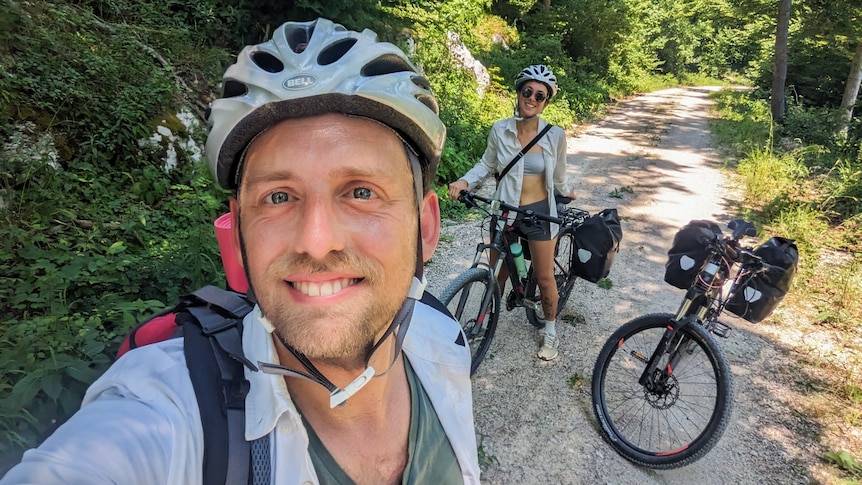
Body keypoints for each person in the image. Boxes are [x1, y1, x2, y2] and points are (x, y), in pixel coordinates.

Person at [1, 18, 480, 484]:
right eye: (277, 197)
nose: (316, 241)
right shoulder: (174, 413)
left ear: (426, 226)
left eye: (361, 192)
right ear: (239, 231)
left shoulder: (444, 341)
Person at [447, 65, 576, 362]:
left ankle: (550, 330)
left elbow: (558, 176)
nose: (532, 98)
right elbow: (485, 164)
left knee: (544, 278)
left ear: (546, 101)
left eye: (539, 95)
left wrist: (567, 191)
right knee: (496, 275)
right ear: (518, 93)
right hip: (504, 210)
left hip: (540, 213)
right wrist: (465, 181)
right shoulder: (500, 130)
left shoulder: (554, 135)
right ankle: (485, 320)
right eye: (527, 91)